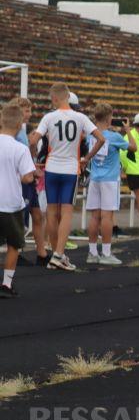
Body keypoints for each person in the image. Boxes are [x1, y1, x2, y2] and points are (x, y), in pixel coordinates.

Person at [28, 83, 106, 271]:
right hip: (71, 168)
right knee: (67, 213)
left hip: (51, 168)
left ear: (55, 98)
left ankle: (56, 252)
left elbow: (33, 141)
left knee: (52, 213)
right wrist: (86, 158)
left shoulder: (49, 117)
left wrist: (32, 162)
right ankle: (58, 255)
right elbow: (101, 139)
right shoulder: (80, 117)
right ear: (68, 97)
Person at [85, 103, 132, 266]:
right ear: (109, 117)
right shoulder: (114, 137)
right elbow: (134, 147)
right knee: (107, 217)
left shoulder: (90, 136)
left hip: (95, 178)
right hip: (110, 180)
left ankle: (92, 252)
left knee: (94, 216)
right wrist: (128, 132)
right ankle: (105, 252)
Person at [0, 103, 39, 296]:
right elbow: (27, 177)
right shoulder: (20, 148)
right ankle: (6, 284)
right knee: (13, 244)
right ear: (18, 125)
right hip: (12, 204)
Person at [10, 97, 47, 266]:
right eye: (26, 110)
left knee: (37, 216)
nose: (30, 114)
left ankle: (41, 253)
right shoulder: (13, 133)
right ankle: (15, 254)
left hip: (29, 180)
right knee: (21, 221)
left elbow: (27, 157)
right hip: (21, 182)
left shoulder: (23, 131)